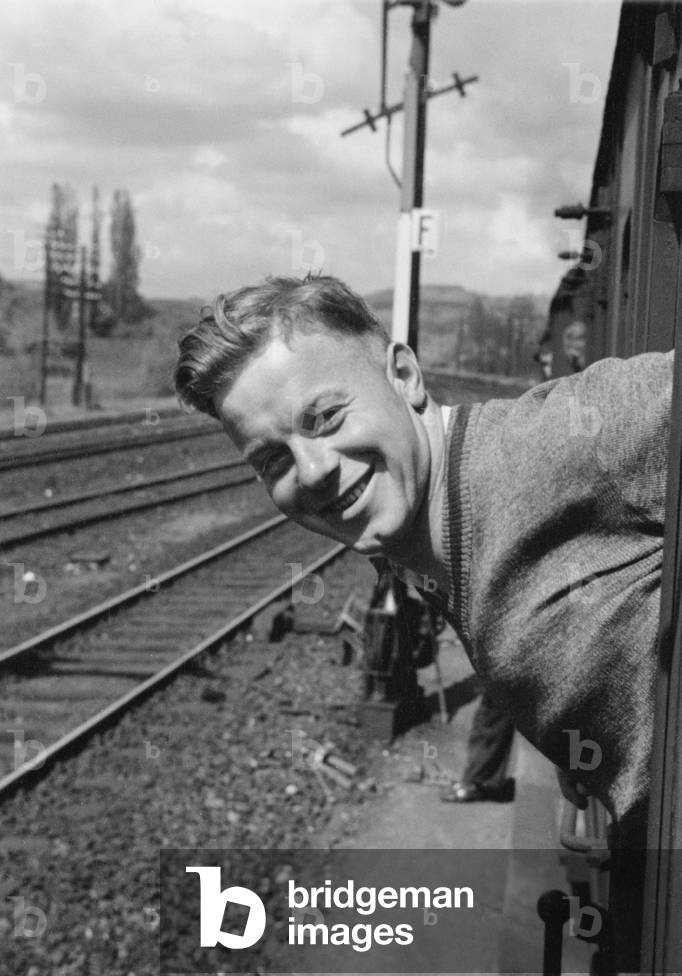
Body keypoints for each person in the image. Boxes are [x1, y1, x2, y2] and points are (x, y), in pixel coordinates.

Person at [174, 273, 670, 848]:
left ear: (404, 376)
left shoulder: (562, 442)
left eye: (326, 417)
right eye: (271, 461)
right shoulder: (428, 544)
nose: (311, 470)